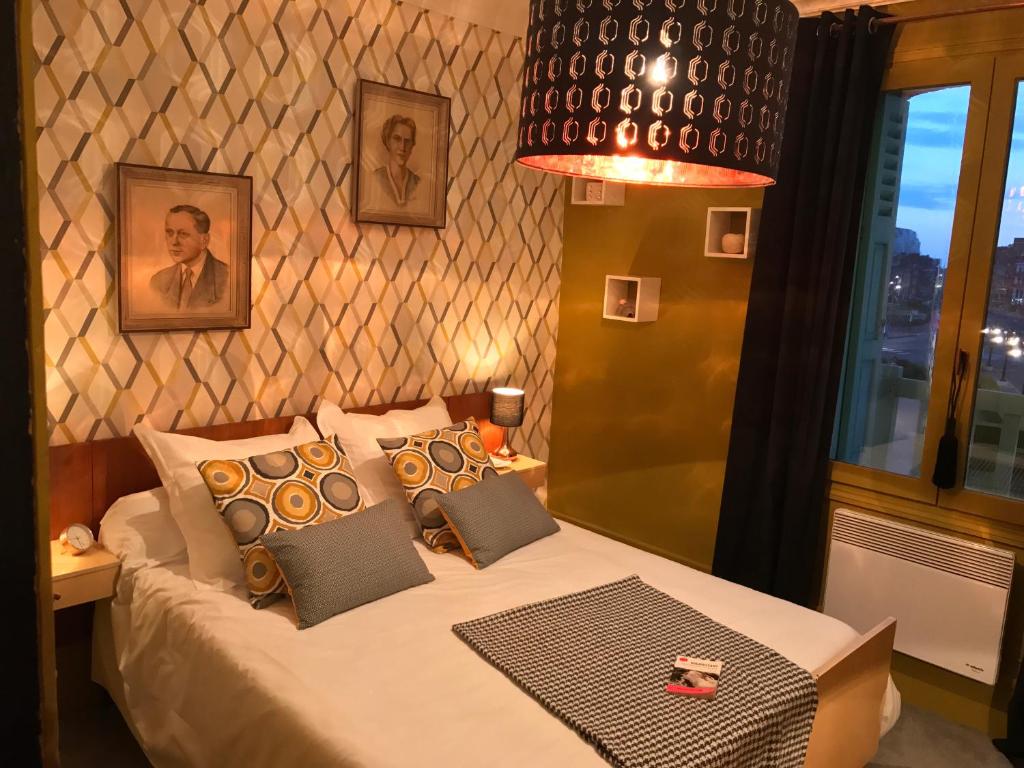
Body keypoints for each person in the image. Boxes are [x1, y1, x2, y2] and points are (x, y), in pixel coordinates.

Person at [150, 204, 229, 310]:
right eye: (170, 233)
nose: (174, 242)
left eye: (183, 234)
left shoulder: (228, 279)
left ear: (204, 240)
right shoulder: (158, 282)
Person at [372, 114, 420, 207]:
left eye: (407, 141)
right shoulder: (376, 178)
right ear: (388, 142)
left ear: (412, 146)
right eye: (397, 139)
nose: (402, 147)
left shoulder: (417, 183)